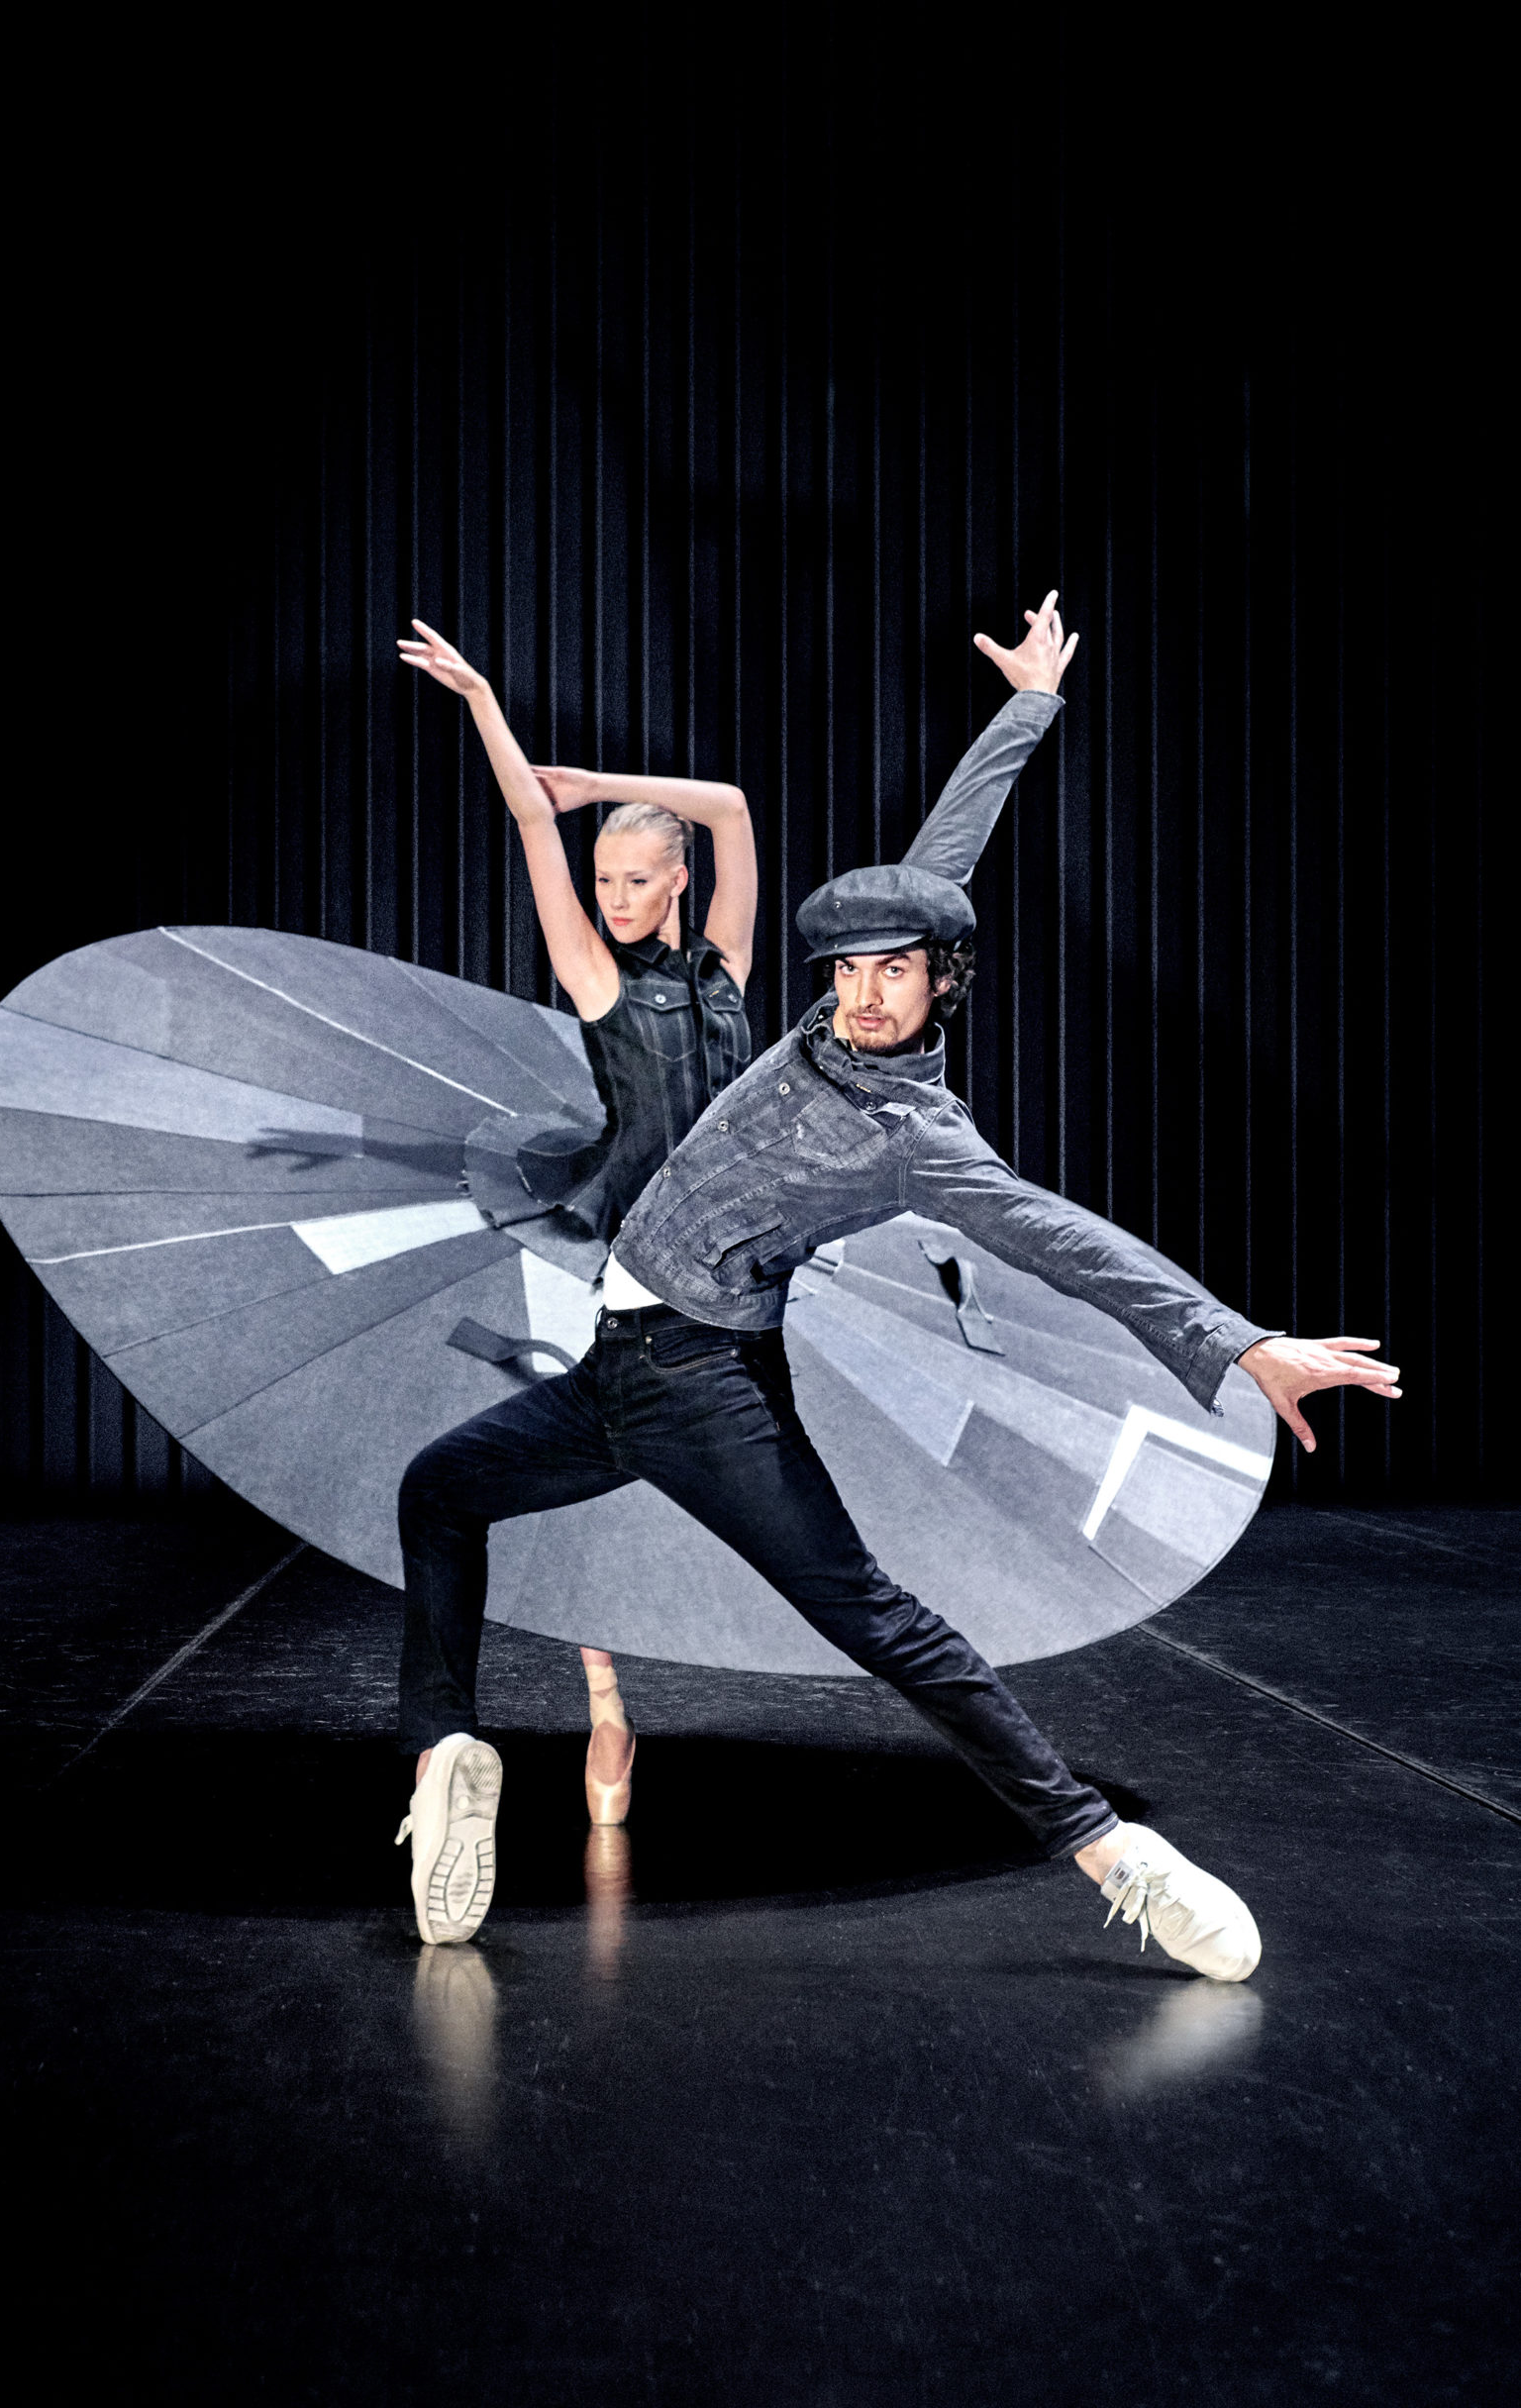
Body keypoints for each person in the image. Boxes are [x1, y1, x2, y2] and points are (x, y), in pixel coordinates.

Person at [393, 596, 1401, 1968]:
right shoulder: (820, 1022)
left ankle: (1116, 1854)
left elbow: (1062, 1239)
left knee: (877, 1622)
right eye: (852, 969)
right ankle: (448, 1757)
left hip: (702, 1386)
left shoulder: (921, 1139)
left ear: (943, 983)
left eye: (894, 973)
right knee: (439, 1490)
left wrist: (1233, 1342)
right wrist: (1028, 707)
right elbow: (945, 849)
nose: (866, 992)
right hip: (613, 1371)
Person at [397, 619, 759, 1826]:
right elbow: (527, 824)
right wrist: (483, 704)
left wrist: (599, 781)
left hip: (732, 1268)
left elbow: (728, 808)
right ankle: (602, 1705)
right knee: (581, 1470)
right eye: (601, 881)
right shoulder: (600, 978)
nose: (611, 899)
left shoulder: (725, 969)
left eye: (634, 880)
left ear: (677, 883)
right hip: (621, 1262)